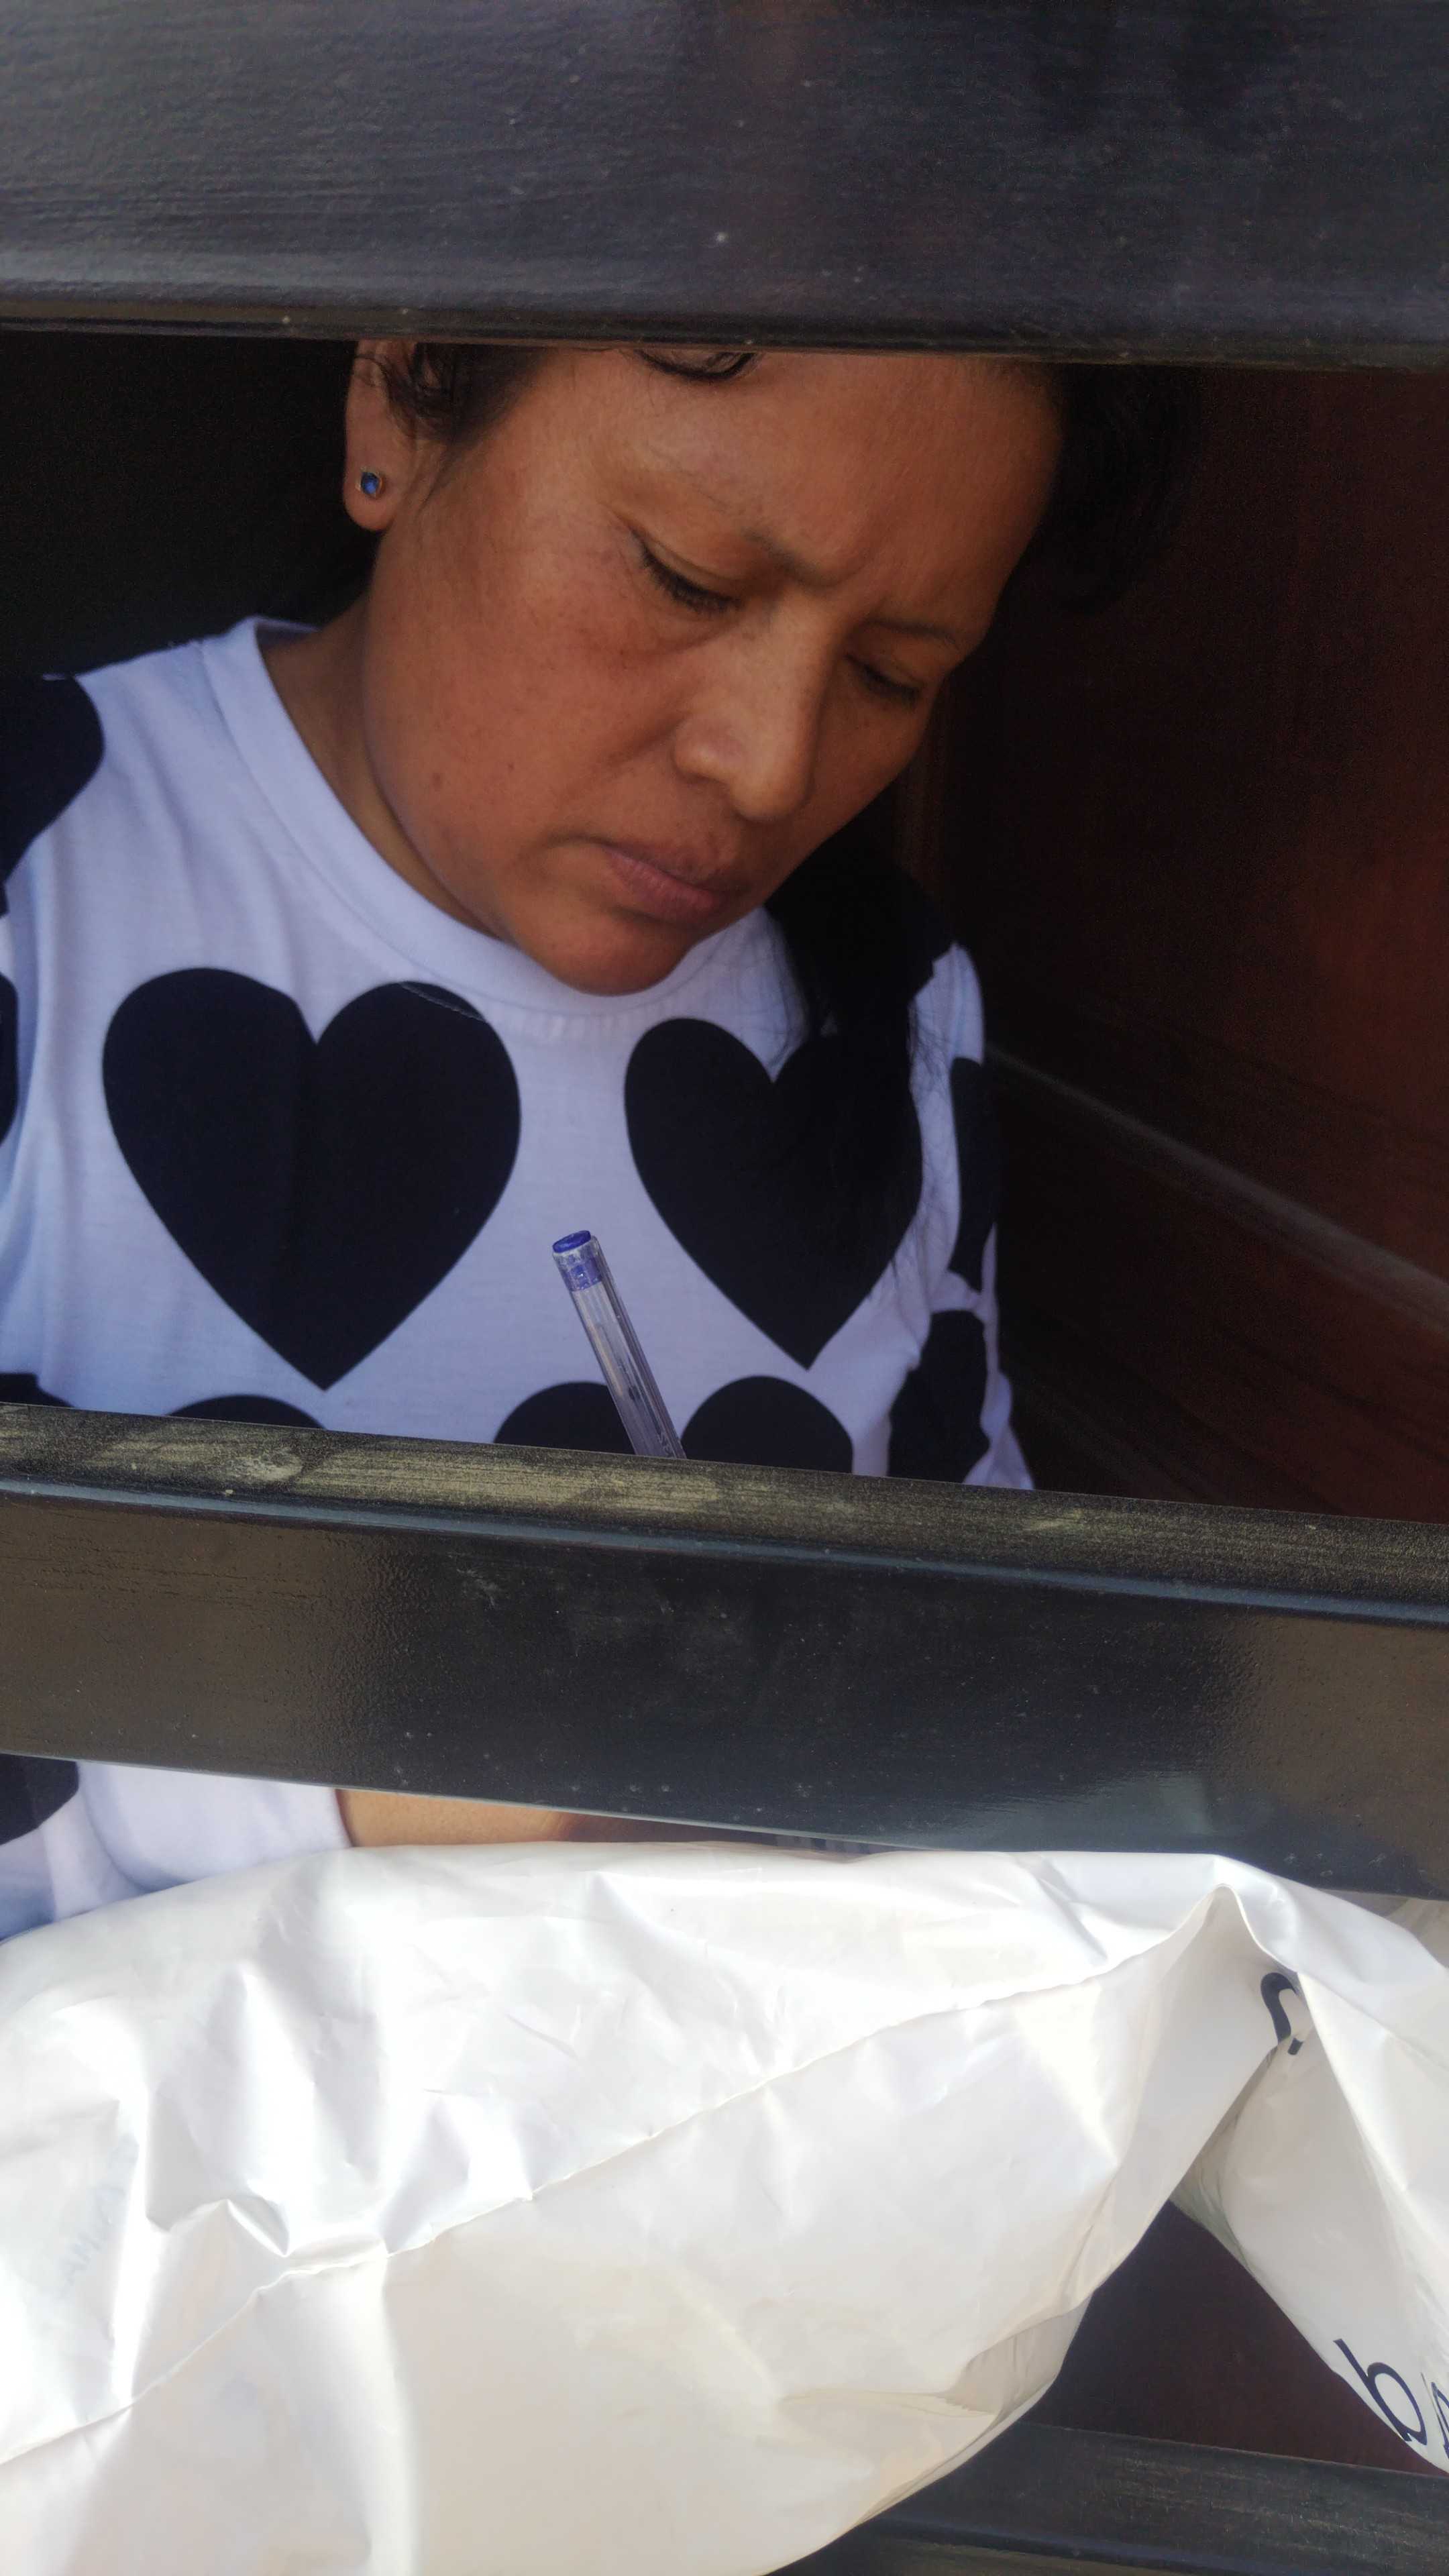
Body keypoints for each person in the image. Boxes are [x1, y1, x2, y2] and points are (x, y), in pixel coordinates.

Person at [0, 341, 1190, 1933]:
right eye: (688, 579)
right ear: (398, 402)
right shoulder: (38, 889)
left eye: (893, 673)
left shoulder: (892, 1005)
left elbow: (992, 1653)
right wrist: (394, 1792)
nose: (768, 765)